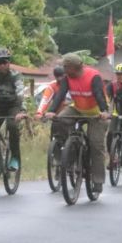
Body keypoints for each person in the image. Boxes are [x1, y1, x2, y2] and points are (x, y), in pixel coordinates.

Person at [44, 53, 110, 193]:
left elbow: (99, 95)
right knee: (59, 120)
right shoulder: (67, 78)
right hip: (78, 108)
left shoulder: (93, 76)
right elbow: (60, 95)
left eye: (66, 67)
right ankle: (70, 149)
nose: (64, 69)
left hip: (96, 113)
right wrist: (52, 111)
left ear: (74, 67)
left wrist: (104, 111)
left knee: (96, 145)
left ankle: (97, 180)